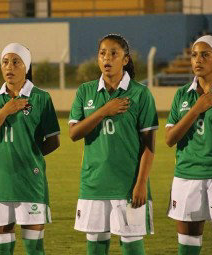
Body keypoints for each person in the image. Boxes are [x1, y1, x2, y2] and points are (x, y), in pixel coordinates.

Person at [69, 34, 158, 255]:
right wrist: (104, 111)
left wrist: (141, 184)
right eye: (102, 53)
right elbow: (74, 133)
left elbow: (149, 146)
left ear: (125, 59)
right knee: (96, 248)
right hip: (94, 184)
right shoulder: (85, 91)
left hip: (128, 185)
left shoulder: (140, 93)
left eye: (114, 53)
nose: (107, 58)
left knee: (132, 247)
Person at [0, 42, 60, 255]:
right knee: (2, 250)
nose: (9, 67)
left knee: (34, 248)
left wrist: (30, 154)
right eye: (5, 62)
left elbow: (53, 140)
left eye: (16, 62)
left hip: (30, 182)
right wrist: (5, 111)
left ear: (27, 67)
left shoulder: (41, 98)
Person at [166, 34, 212, 255]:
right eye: (194, 55)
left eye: (205, 55)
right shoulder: (182, 95)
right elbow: (170, 139)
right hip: (186, 177)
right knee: (187, 248)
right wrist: (197, 108)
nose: (197, 60)